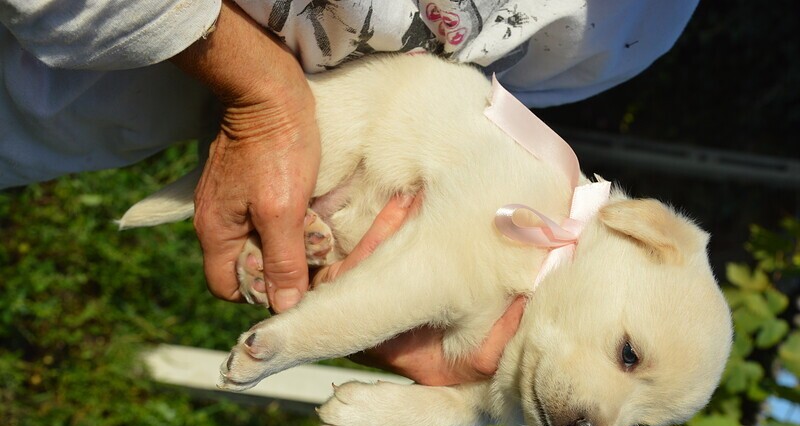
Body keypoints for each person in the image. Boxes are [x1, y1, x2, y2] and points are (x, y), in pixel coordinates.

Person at [0, 0, 698, 384]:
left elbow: (428, 112)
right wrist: (261, 93)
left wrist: (368, 269)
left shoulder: (643, 26)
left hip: (51, 123)